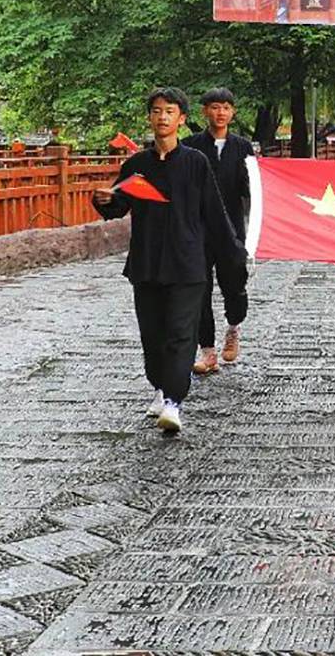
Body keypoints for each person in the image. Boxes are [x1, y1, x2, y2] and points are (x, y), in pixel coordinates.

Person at [94, 88, 242, 434]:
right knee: (153, 335)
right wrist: (103, 200)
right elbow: (118, 206)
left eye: (170, 111)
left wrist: (233, 252)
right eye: (157, 111)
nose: (163, 117)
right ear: (150, 117)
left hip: (187, 264)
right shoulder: (136, 166)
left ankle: (174, 401)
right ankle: (160, 387)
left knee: (180, 333)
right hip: (146, 263)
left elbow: (214, 213)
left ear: (182, 119)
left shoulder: (195, 163)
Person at [182, 88, 253, 374]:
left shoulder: (243, 147)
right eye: (214, 107)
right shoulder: (190, 146)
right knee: (199, 289)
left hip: (232, 229)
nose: (220, 112)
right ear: (204, 111)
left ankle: (233, 326)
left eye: (225, 107)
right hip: (198, 229)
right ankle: (208, 351)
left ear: (232, 112)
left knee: (234, 284)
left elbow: (252, 188)